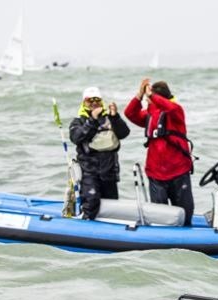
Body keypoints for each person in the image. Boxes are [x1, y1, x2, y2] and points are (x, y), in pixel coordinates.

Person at [124, 79, 195, 226]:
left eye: (150, 99)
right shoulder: (150, 115)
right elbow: (129, 113)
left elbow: (171, 108)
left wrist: (152, 96)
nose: (148, 101)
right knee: (160, 218)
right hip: (156, 174)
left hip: (179, 171)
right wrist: (139, 95)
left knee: (186, 213)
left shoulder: (176, 111)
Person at [70, 86, 130, 220]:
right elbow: (76, 137)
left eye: (96, 100)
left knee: (112, 205)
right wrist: (92, 120)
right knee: (91, 201)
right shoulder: (79, 121)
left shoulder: (109, 118)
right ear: (84, 102)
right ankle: (86, 227)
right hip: (89, 171)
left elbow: (124, 133)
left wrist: (115, 117)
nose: (93, 103)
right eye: (89, 100)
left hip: (109, 171)